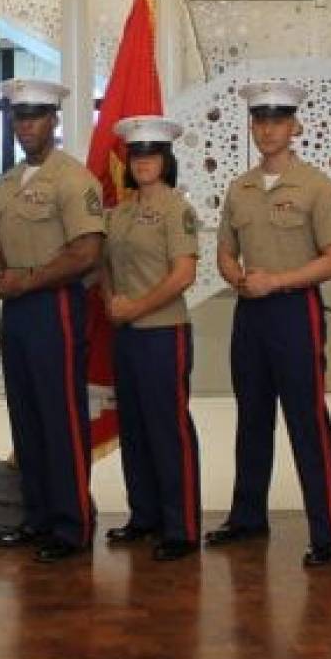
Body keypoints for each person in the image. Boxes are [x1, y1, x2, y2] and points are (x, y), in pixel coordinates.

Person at [208, 80, 331, 568]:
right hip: (250, 313)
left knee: (306, 420)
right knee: (252, 418)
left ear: (295, 127)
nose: (268, 130)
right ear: (252, 127)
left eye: (277, 121)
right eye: (260, 121)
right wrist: (238, 277)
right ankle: (247, 516)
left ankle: (326, 528)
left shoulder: (316, 188)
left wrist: (280, 281)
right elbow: (225, 251)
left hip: (295, 312)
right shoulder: (239, 188)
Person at [0, 77, 106, 563]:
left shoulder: (74, 180)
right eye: (19, 117)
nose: (26, 125)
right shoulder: (9, 182)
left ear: (53, 121)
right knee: (27, 417)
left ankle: (71, 523)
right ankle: (35, 517)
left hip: (54, 306)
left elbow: (87, 252)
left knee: (60, 417)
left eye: (35, 116)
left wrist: (27, 280)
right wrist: (0, 275)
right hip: (16, 308)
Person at [99, 115, 202, 562]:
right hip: (126, 333)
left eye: (151, 154)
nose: (143, 162)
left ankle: (181, 526)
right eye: (136, 154)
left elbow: (184, 273)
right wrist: (111, 302)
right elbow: (104, 267)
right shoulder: (117, 213)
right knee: (135, 428)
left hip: (163, 332)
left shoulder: (178, 208)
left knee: (168, 429)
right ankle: (144, 515)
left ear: (166, 159)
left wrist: (136, 308)